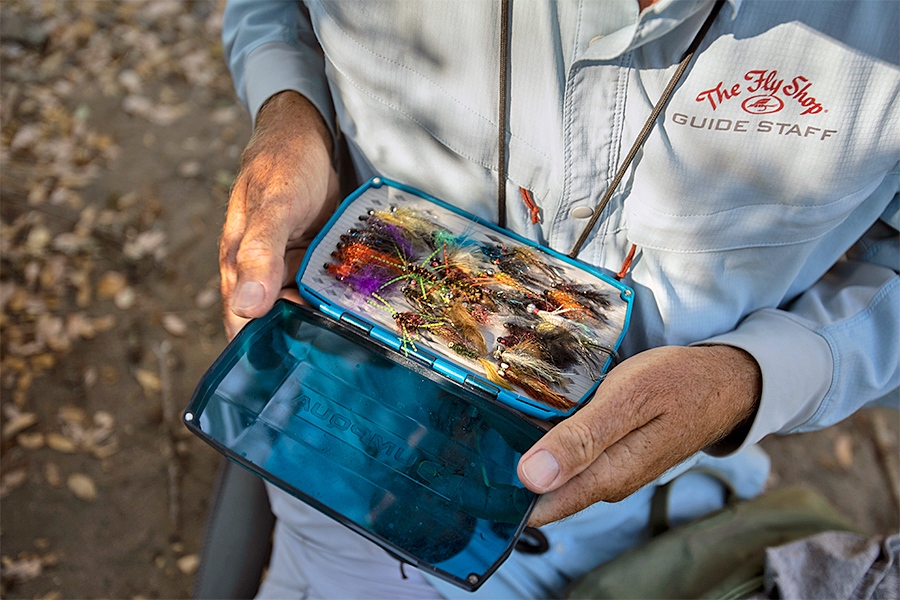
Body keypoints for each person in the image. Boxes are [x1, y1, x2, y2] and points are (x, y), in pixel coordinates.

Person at [217, 0, 899, 597]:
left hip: (659, 511)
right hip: (354, 448)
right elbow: (277, 11)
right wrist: (288, 114)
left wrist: (746, 382)